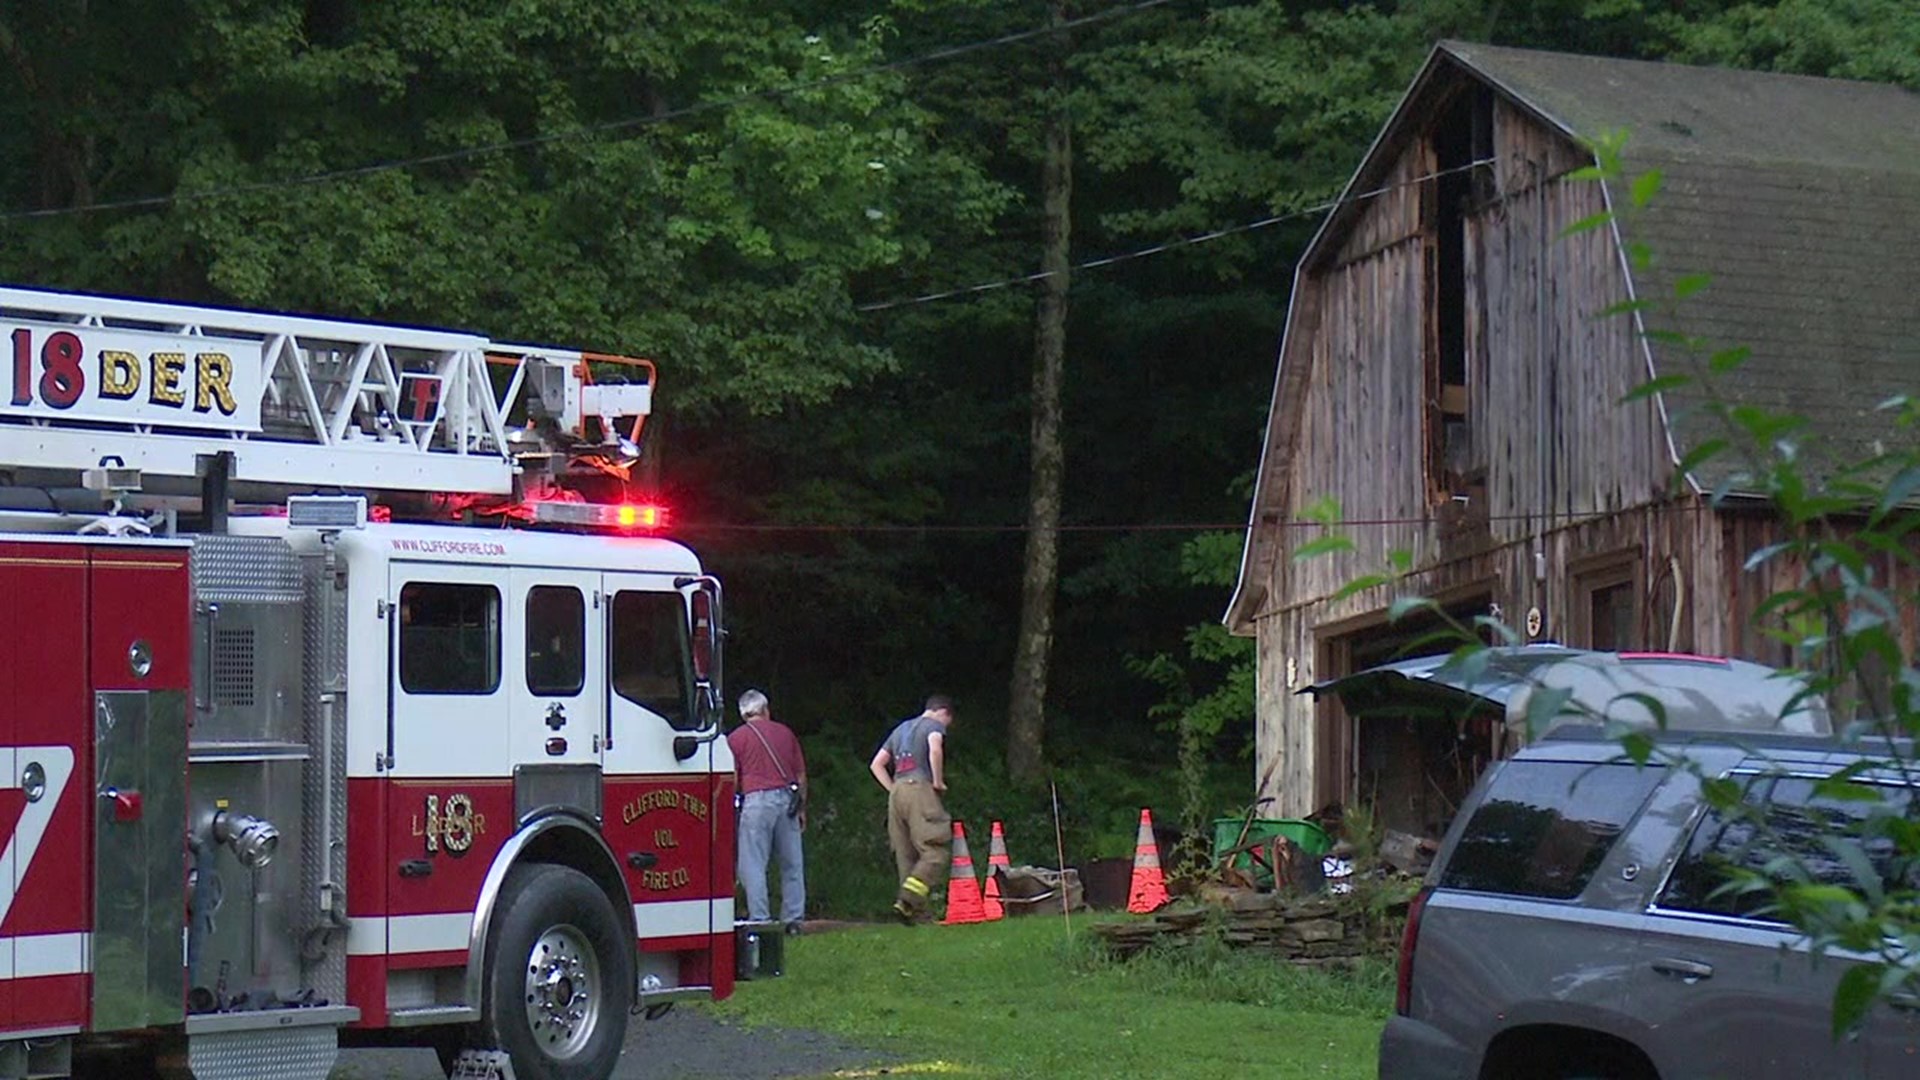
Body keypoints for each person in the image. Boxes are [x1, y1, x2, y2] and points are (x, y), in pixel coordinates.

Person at [868, 694, 955, 922]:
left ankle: (914, 914)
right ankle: (908, 899)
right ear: (943, 712)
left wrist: (893, 789)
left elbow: (876, 764)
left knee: (906, 854)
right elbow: (935, 749)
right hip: (920, 787)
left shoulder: (900, 729)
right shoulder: (934, 725)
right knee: (934, 848)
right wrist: (937, 781)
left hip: (897, 792)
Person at [726, 689, 807, 935]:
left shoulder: (736, 738)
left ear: (743, 714)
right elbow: (801, 775)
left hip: (756, 801)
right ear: (766, 710)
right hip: (787, 799)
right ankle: (793, 920)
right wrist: (802, 807)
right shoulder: (785, 733)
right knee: (792, 863)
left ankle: (760, 919)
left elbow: (733, 777)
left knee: (753, 864)